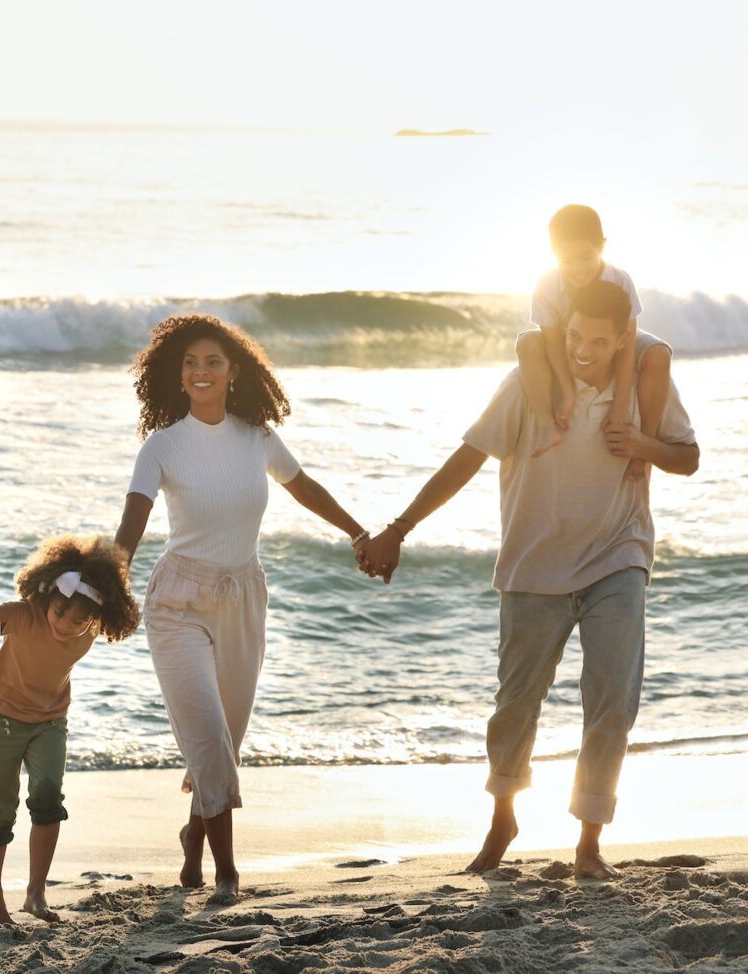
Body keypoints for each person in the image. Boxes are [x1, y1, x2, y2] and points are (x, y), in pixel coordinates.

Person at [358, 278, 699, 879]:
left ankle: (589, 842)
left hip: (618, 558)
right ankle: (503, 820)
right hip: (533, 567)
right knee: (515, 706)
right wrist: (400, 527)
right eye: (575, 337)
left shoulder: (643, 386)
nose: (583, 351)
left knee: (611, 701)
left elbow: (687, 456)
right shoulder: (528, 384)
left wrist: (643, 443)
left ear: (624, 340)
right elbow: (469, 456)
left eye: (599, 341)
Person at [113, 313, 374, 905]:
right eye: (190, 363)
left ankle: (194, 835)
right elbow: (133, 519)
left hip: (244, 599)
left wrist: (359, 533)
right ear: (177, 375)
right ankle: (226, 872)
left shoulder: (256, 437)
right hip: (178, 602)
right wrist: (111, 579)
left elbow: (304, 488)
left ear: (234, 371)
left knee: (225, 740)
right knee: (208, 737)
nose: (200, 371)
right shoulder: (162, 446)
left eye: (213, 361)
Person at [0, 533, 140, 926]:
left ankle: (35, 892)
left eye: (78, 620)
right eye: (59, 612)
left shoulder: (92, 626)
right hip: (1, 719)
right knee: (1, 806)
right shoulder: (25, 615)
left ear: (94, 619)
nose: (65, 625)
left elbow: (110, 591)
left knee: (48, 796)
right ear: (47, 597)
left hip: (51, 722)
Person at [517, 204, 672, 482]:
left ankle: (643, 446)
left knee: (659, 354)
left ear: (601, 246)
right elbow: (553, 344)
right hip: (570, 341)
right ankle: (545, 426)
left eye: (586, 257)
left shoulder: (620, 279)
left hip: (611, 338)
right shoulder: (545, 285)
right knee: (527, 342)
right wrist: (568, 391)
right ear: (552, 252)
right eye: (567, 260)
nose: (578, 269)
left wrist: (621, 405)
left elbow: (627, 340)